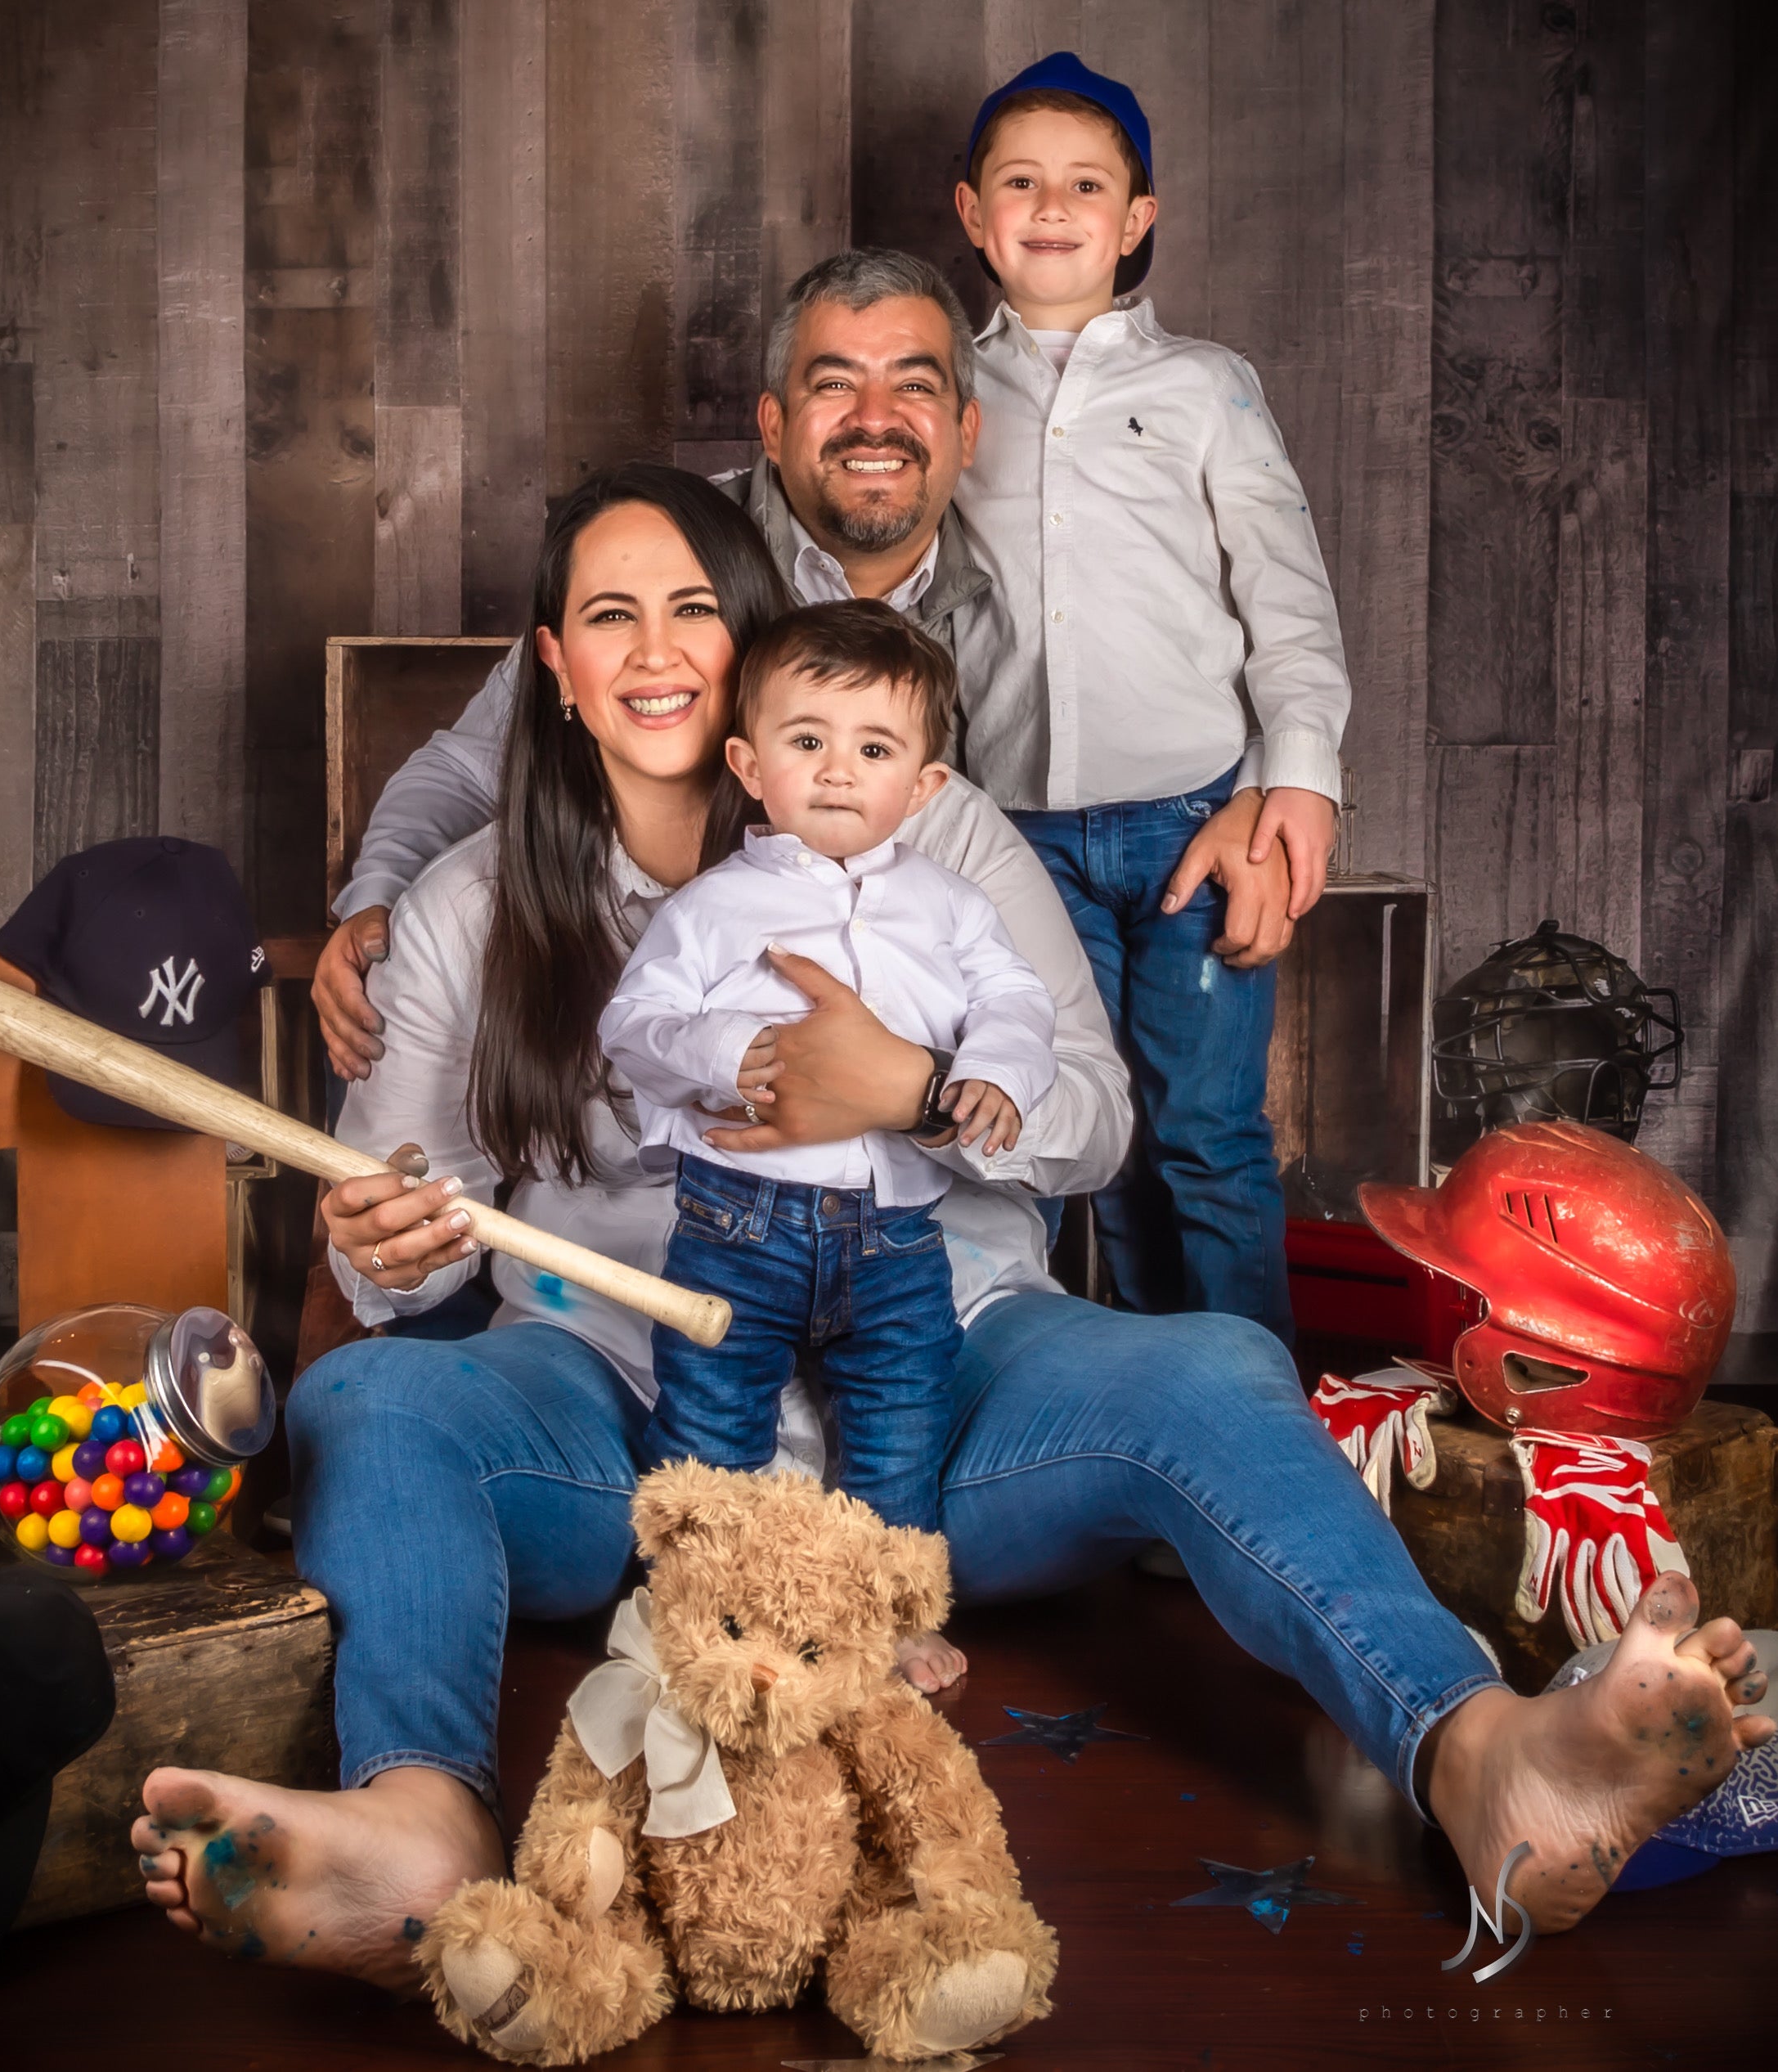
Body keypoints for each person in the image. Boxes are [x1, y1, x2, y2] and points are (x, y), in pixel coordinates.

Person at [132, 461, 1771, 1993]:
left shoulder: (941, 828)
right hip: (637, 1434)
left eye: (694, 609)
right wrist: (393, 1246)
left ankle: (1480, 1757)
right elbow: (379, 1230)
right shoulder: (467, 906)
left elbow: (1092, 1121)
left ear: (752, 636)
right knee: (372, 1401)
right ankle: (419, 1823)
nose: (657, 653)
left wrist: (906, 1087)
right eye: (611, 618)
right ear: (555, 665)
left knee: (1210, 1368)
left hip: (941, 1391)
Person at [312, 249, 1299, 1087]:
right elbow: (471, 763)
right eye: (833, 384)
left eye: (912, 384)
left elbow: (1170, 670)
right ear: (774, 426)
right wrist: (378, 900)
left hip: (938, 1043)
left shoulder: (1033, 566)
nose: (874, 419)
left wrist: (1259, 790)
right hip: (702, 1042)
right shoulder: (675, 554)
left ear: (964, 432)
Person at [952, 52, 1351, 1342]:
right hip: (1019, 834)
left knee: (1207, 1132)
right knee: (1098, 1127)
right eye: (1021, 182)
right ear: (973, 214)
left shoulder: (1205, 387)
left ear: (1135, 221)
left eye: (1086, 184)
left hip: (1196, 822)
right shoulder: (946, 392)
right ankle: (1148, 1414)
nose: (1052, 205)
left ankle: (1254, 1425)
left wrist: (1290, 780)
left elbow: (1286, 596)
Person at [601, 602, 1058, 1535]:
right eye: (806, 739)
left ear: (925, 784)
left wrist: (997, 1073)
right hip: (735, 1223)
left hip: (894, 1234)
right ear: (747, 764)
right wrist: (729, 1052)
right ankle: (701, 1611)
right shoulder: (713, 907)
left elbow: (1018, 1001)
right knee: (710, 1422)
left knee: (899, 1422)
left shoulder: (950, 906)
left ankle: (886, 1615)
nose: (838, 769)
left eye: (876, 750)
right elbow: (633, 1022)